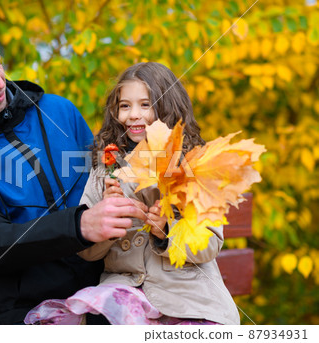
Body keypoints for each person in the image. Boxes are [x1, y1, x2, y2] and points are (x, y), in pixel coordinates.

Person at [0, 19, 148, 325]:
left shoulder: (59, 111)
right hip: (26, 313)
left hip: (104, 295)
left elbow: (108, 180)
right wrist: (78, 226)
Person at [25, 62, 240, 325]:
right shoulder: (106, 168)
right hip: (124, 295)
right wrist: (106, 219)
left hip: (187, 298)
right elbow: (88, 253)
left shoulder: (192, 165)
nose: (133, 115)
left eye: (145, 105)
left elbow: (209, 244)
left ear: (168, 108)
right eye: (124, 106)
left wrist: (166, 232)